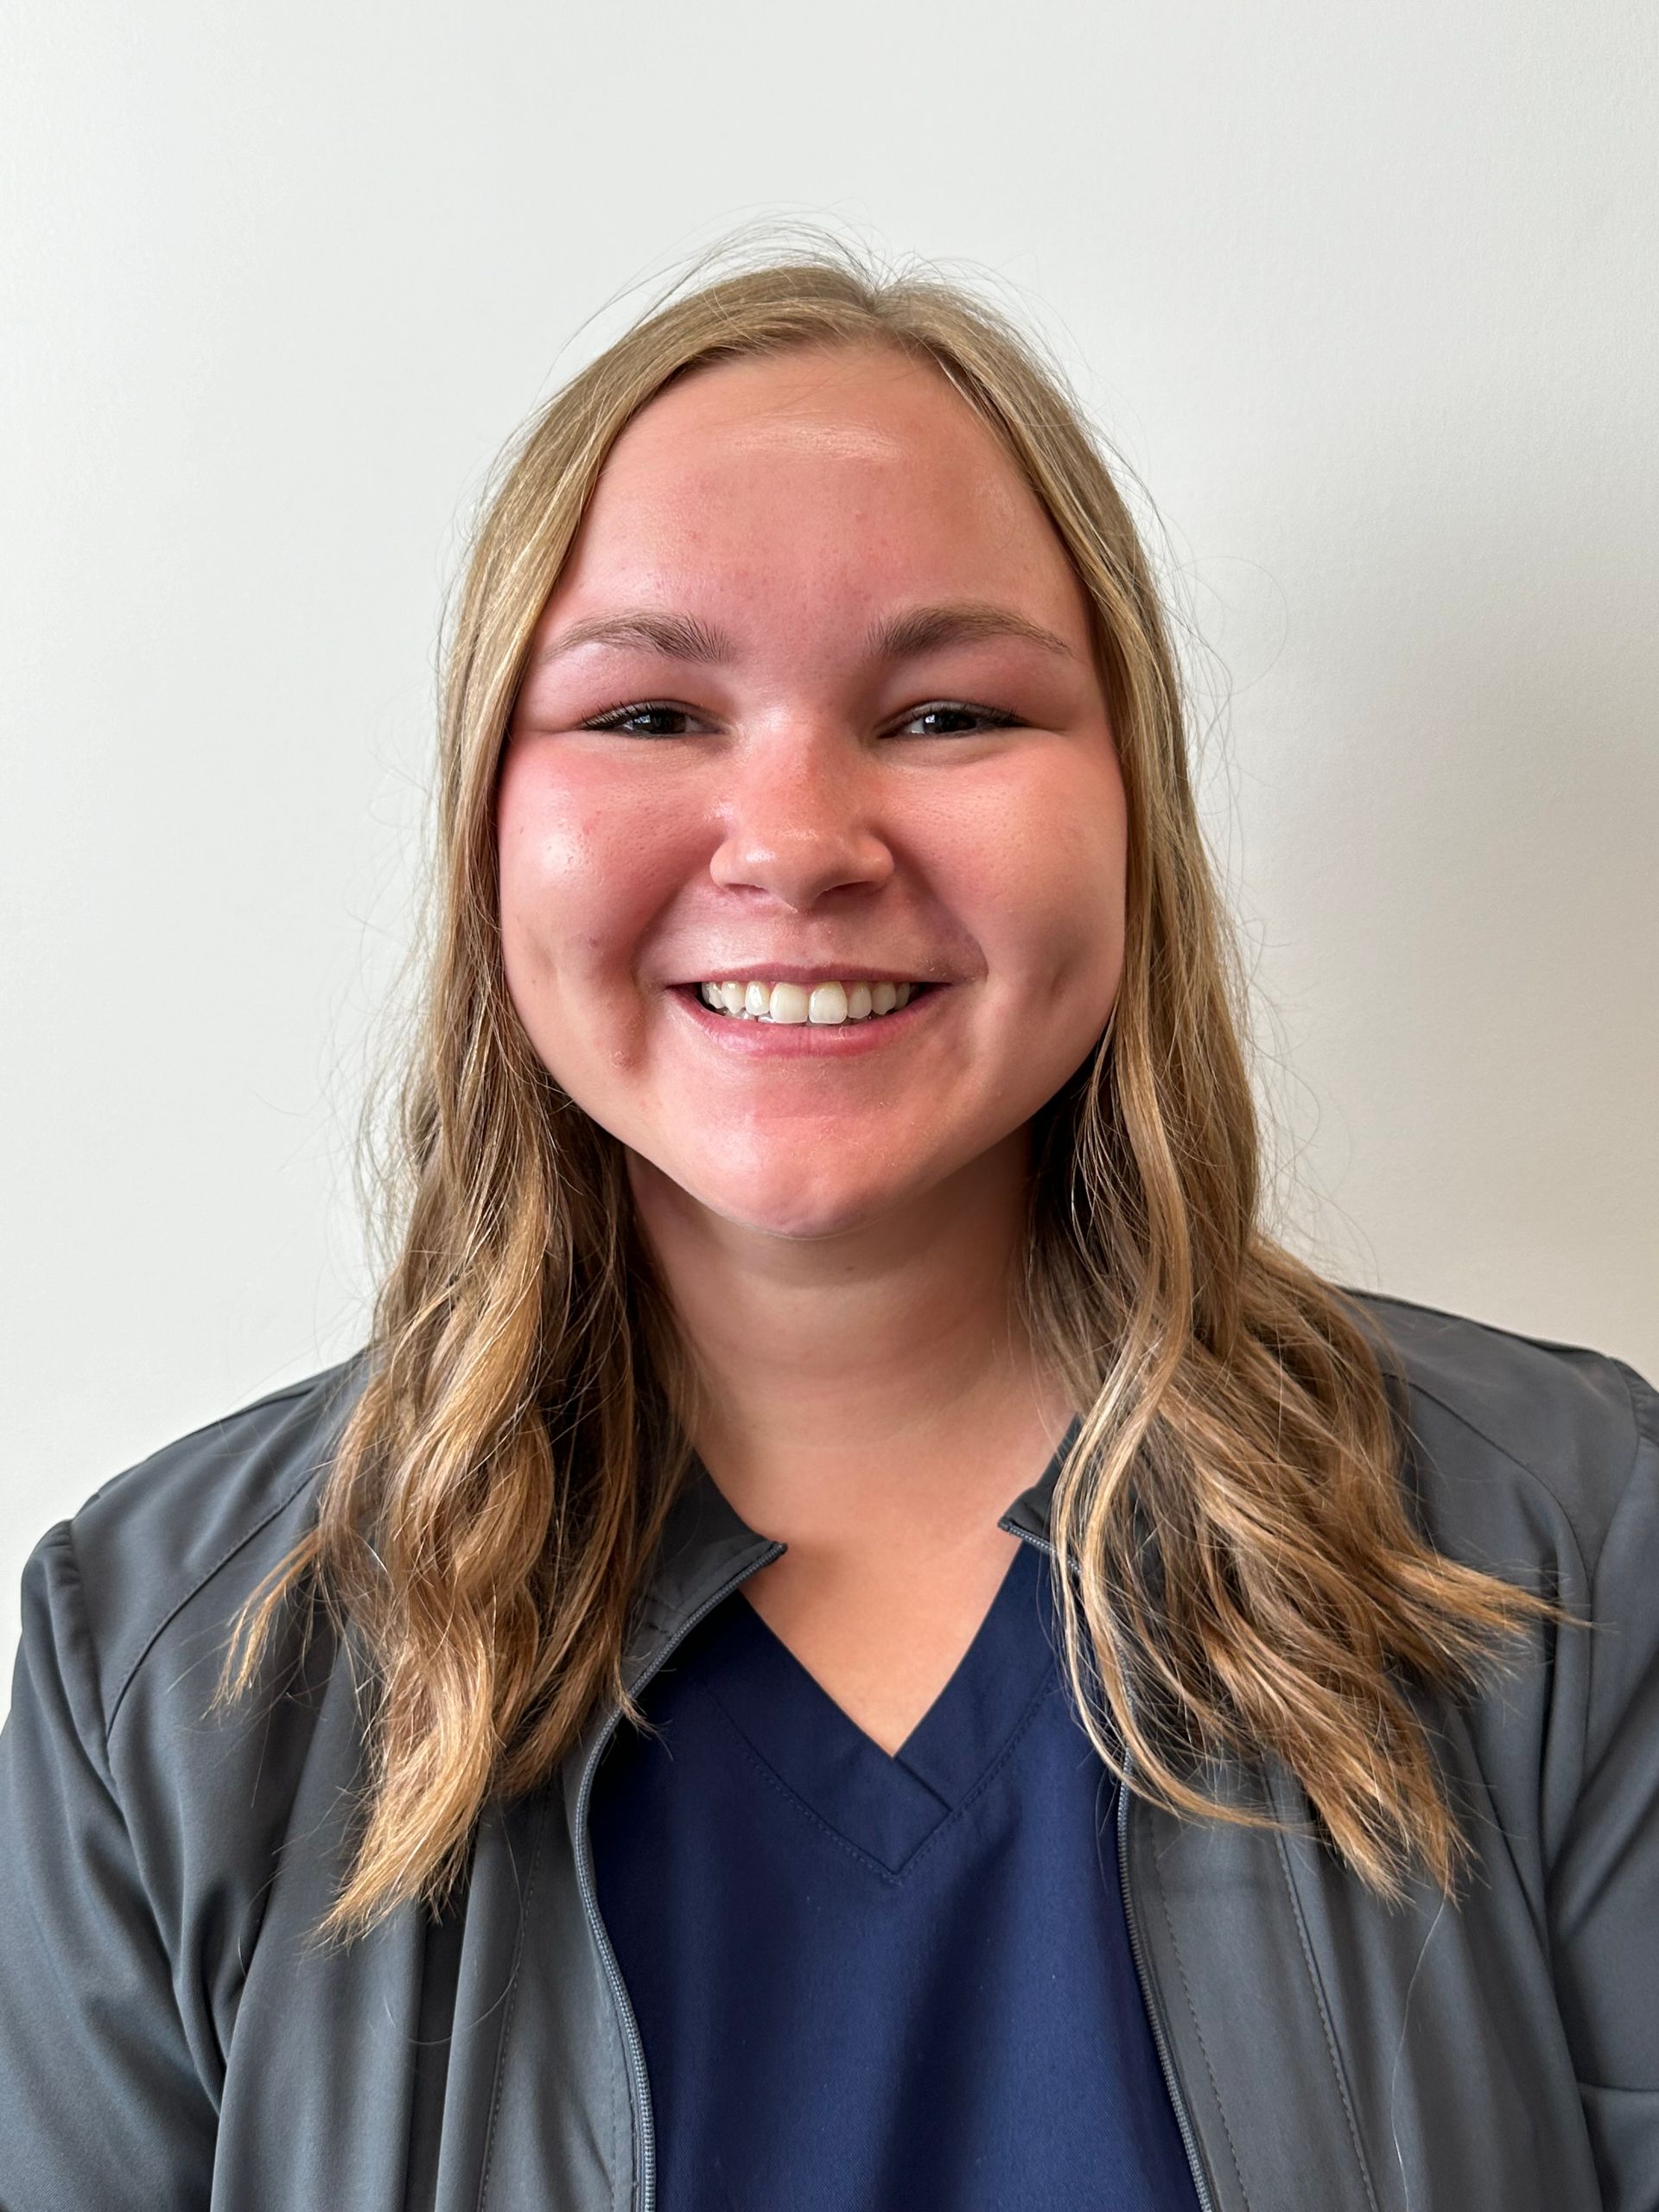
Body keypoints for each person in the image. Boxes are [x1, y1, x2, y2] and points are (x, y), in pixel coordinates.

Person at [1, 244, 1654, 2212]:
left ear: (1133, 803)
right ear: (486, 826)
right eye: (646, 715)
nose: (794, 840)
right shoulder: (164, 1666)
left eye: (951, 711)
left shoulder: (1571, 1551)